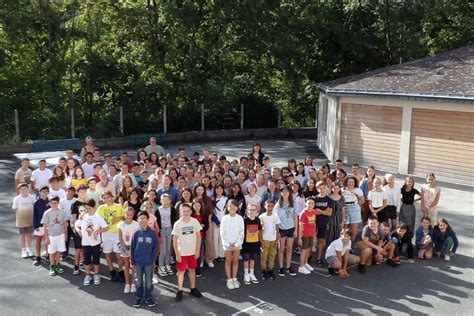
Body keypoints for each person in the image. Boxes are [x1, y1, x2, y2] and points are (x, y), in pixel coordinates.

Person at [172, 203, 204, 301]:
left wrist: (197, 250)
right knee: (181, 272)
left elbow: (199, 237)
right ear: (180, 212)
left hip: (192, 252)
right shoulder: (177, 224)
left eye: (187, 211)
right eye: (183, 211)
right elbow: (174, 240)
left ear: (190, 212)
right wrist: (177, 254)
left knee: (192, 270)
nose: (185, 213)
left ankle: (193, 288)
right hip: (182, 252)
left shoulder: (194, 222)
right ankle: (180, 290)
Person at [75, 199, 108, 286]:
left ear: (94, 207)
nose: (88, 210)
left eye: (90, 208)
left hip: (95, 242)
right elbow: (76, 225)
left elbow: (106, 227)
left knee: (96, 259)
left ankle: (96, 275)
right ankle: (88, 275)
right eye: (86, 208)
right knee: (87, 260)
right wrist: (78, 231)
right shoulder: (83, 217)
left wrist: (98, 231)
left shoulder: (98, 217)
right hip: (86, 242)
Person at [131, 211, 159, 308]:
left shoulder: (153, 233)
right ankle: (139, 297)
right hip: (138, 262)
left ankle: (149, 298)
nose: (142, 220)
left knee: (148, 281)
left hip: (148, 262)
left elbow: (156, 247)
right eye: (140, 218)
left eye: (144, 218)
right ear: (137, 220)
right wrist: (133, 261)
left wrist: (152, 259)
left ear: (147, 220)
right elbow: (132, 248)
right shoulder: (136, 233)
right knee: (138, 281)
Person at [96, 191, 125, 282]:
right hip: (106, 234)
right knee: (107, 253)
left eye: (108, 197)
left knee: (119, 255)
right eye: (104, 198)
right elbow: (95, 218)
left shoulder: (119, 206)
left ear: (112, 197)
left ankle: (120, 271)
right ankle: (112, 271)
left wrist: (119, 218)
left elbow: (125, 217)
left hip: (117, 234)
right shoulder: (101, 208)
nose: (107, 199)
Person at [41, 196, 70, 276]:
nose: (54, 205)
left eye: (55, 203)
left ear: (58, 203)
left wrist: (66, 235)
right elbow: (44, 226)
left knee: (59, 251)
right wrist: (46, 238)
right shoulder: (47, 213)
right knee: (52, 251)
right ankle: (52, 266)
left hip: (60, 235)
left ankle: (58, 264)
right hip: (51, 236)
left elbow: (65, 224)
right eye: (52, 203)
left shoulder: (62, 212)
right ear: (49, 203)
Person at [220, 199, 245, 290]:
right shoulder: (224, 218)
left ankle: (234, 278)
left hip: (237, 244)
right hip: (227, 245)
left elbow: (242, 232)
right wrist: (227, 244)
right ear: (227, 207)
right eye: (230, 206)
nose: (232, 208)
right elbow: (222, 232)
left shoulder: (240, 218)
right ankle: (229, 280)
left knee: (235, 261)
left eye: (234, 206)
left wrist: (237, 244)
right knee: (228, 261)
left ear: (237, 207)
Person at [274, 186, 298, 277]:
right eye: (283, 192)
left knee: (289, 249)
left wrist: (296, 229)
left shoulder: (293, 204)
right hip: (281, 229)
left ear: (289, 193)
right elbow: (275, 220)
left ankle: (288, 267)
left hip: (291, 228)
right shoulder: (278, 205)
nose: (285, 193)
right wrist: (277, 231)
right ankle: (281, 267)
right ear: (281, 193)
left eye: (287, 191)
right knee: (281, 249)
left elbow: (296, 217)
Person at [118, 207, 140, 293]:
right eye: (127, 214)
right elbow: (120, 239)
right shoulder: (120, 224)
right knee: (126, 265)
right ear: (124, 214)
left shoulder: (136, 224)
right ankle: (127, 284)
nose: (129, 216)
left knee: (133, 266)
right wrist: (125, 249)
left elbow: (137, 237)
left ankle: (133, 284)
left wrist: (133, 249)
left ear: (133, 215)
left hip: (134, 247)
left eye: (131, 215)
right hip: (124, 247)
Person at [155, 194, 177, 277]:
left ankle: (167, 265)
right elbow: (157, 224)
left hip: (170, 229)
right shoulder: (158, 210)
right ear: (160, 201)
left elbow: (174, 221)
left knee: (168, 248)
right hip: (162, 230)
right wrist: (159, 234)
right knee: (163, 249)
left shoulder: (172, 209)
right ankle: (161, 266)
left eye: (166, 200)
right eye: (162, 200)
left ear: (170, 200)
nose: (164, 201)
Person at [12, 183, 35, 258]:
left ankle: (29, 248)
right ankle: (23, 250)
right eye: (21, 189)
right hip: (21, 221)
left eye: (25, 188)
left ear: (28, 189)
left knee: (29, 235)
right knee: (22, 236)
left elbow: (34, 207)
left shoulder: (32, 197)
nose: (24, 190)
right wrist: (21, 216)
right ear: (19, 190)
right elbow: (14, 209)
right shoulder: (16, 199)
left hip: (30, 220)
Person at [259, 200, 281, 280]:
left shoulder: (275, 216)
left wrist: (277, 239)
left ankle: (271, 270)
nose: (270, 208)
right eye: (268, 206)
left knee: (272, 255)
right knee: (264, 256)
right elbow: (260, 230)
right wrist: (261, 240)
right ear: (265, 206)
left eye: (272, 206)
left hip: (273, 239)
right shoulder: (261, 216)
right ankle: (263, 271)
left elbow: (277, 228)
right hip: (265, 239)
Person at [314, 181, 333, 267]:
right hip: (313, 223)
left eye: (322, 188)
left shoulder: (329, 200)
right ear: (317, 189)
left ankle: (319, 258)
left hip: (323, 223)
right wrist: (324, 211)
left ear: (325, 188)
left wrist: (320, 211)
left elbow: (329, 213)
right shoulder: (314, 199)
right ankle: (309, 255)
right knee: (312, 240)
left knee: (321, 241)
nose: (321, 190)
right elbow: (313, 212)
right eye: (319, 188)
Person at [241, 203, 261, 284]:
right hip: (246, 244)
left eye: (253, 209)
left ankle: (251, 273)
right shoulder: (244, 221)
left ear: (256, 211)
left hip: (255, 243)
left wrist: (261, 241)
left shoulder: (258, 220)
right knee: (246, 260)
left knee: (253, 259)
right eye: (250, 209)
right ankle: (246, 274)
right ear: (247, 211)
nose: (252, 211)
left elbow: (259, 231)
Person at [71, 184, 87, 274]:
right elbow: (74, 219)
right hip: (78, 229)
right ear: (77, 193)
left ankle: (84, 262)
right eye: (81, 192)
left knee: (85, 247)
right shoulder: (75, 204)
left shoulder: (87, 202)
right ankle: (76, 265)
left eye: (84, 191)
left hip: (87, 229)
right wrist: (78, 228)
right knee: (78, 248)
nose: (83, 193)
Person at [342, 176, 364, 241]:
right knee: (344, 229)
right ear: (346, 182)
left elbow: (362, 201)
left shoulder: (358, 190)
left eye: (352, 182)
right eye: (349, 182)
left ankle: (351, 245)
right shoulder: (342, 190)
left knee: (354, 229)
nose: (350, 183)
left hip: (355, 210)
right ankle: (343, 242)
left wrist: (355, 205)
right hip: (345, 210)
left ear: (355, 183)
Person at [298, 197, 317, 274]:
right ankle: (301, 266)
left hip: (311, 234)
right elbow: (300, 226)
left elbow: (314, 223)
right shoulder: (303, 213)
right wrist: (299, 237)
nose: (310, 205)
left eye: (312, 203)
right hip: (305, 234)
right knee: (304, 250)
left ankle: (305, 263)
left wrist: (315, 235)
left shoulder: (313, 212)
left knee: (309, 249)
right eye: (309, 203)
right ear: (305, 203)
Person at [191, 200, 209, 277]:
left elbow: (207, 226)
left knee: (198, 253)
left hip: (201, 236)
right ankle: (191, 268)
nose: (197, 207)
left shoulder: (204, 215)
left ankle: (197, 269)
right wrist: (199, 226)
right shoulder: (191, 215)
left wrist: (202, 227)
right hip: (191, 237)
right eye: (195, 206)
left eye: (198, 206)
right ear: (193, 206)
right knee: (191, 253)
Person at [33, 186, 50, 265]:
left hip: (48, 226)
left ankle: (48, 255)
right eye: (43, 191)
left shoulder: (50, 201)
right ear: (39, 192)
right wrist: (35, 226)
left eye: (46, 191)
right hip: (39, 226)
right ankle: (38, 257)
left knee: (48, 241)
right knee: (38, 241)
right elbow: (34, 215)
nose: (44, 193)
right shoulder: (36, 203)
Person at [211, 184, 228, 262]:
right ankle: (215, 255)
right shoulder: (212, 199)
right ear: (215, 190)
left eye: (221, 189)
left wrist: (224, 221)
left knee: (222, 238)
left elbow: (227, 211)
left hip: (224, 221)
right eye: (217, 189)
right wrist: (217, 221)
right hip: (215, 221)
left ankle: (222, 255)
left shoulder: (226, 199)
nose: (219, 190)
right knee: (215, 238)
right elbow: (212, 211)